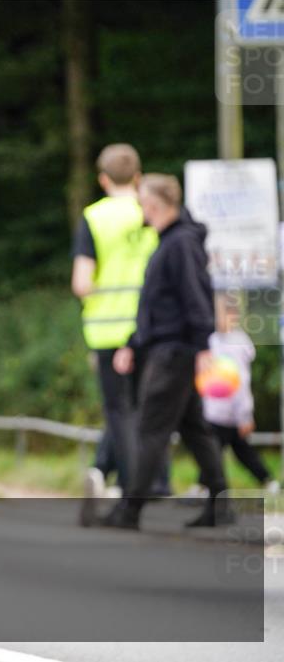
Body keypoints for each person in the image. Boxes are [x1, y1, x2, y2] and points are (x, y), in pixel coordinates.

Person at [102, 173, 230, 530]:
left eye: (142, 202)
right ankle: (221, 504)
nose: (140, 209)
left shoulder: (179, 244)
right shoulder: (170, 242)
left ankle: (129, 511)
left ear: (154, 204)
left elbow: (195, 296)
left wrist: (203, 344)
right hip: (168, 346)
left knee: (150, 428)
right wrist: (133, 341)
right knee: (193, 428)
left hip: (174, 351)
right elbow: (157, 304)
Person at [71, 144, 164, 527]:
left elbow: (82, 282)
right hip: (152, 327)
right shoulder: (153, 211)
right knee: (147, 408)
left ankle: (131, 488)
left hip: (109, 330)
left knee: (119, 411)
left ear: (103, 179)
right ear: (139, 176)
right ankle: (131, 476)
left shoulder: (94, 218)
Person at [200, 294, 279, 494]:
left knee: (238, 451)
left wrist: (245, 414)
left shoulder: (238, 342)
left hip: (233, 411)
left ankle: (267, 480)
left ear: (233, 315)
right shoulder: (210, 340)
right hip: (213, 410)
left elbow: (242, 382)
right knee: (214, 449)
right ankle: (205, 486)